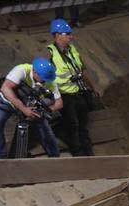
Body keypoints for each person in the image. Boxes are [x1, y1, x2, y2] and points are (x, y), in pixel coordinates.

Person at [0, 58, 62, 159]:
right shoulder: (21, 70)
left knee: (44, 130)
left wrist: (43, 111)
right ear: (35, 72)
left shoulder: (49, 80)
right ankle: (1, 156)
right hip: (7, 101)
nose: (45, 81)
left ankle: (55, 158)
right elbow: (5, 88)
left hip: (29, 105)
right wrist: (23, 109)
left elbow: (59, 103)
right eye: (43, 78)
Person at [46, 18, 98, 156]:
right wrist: (55, 97)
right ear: (57, 35)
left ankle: (88, 152)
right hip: (63, 95)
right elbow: (46, 78)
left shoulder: (72, 50)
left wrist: (92, 87)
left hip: (77, 92)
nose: (71, 36)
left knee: (83, 124)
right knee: (73, 125)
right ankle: (78, 154)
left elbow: (82, 69)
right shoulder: (50, 54)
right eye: (67, 34)